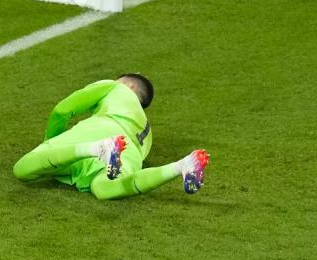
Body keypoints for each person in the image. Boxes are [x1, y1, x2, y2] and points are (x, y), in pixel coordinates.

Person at [12, 74, 210, 200]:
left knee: (22, 169)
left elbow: (62, 110)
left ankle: (95, 149)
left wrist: (50, 143)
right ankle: (180, 166)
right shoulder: (147, 132)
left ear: (130, 85)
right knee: (103, 189)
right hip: (129, 151)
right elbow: (136, 162)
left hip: (103, 131)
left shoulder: (116, 88)